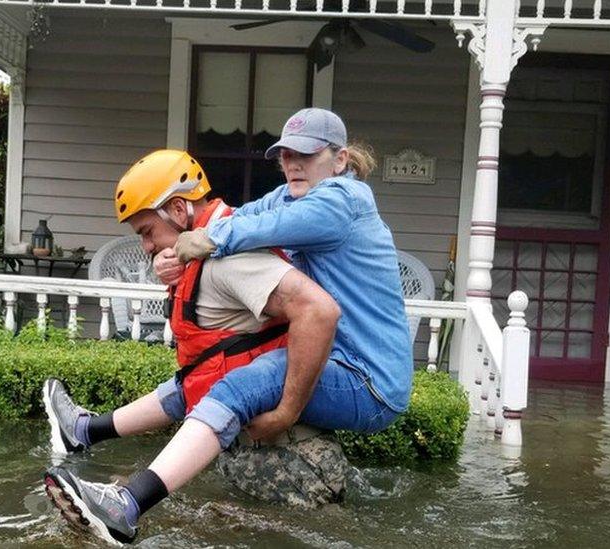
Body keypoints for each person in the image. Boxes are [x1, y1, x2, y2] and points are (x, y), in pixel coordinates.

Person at [45, 107, 413, 545]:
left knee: (240, 384)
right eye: (285, 155)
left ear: (340, 160)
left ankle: (127, 505)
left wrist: (287, 412)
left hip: (369, 382)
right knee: (215, 369)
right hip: (339, 361)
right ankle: (85, 431)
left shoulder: (342, 199)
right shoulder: (292, 195)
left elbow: (267, 231)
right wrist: (177, 251)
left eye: (307, 154)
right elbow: (241, 216)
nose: (293, 164)